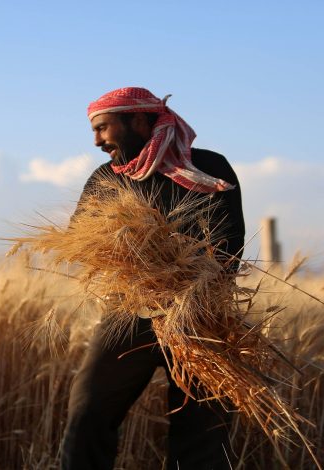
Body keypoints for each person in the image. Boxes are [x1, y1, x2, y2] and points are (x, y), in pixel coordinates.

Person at [61, 87, 246, 470]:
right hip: (127, 316)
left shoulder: (210, 168)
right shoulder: (106, 179)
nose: (96, 141)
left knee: (202, 432)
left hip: (200, 318)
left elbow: (228, 243)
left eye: (103, 128)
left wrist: (180, 281)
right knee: (88, 413)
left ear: (140, 120)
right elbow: (80, 240)